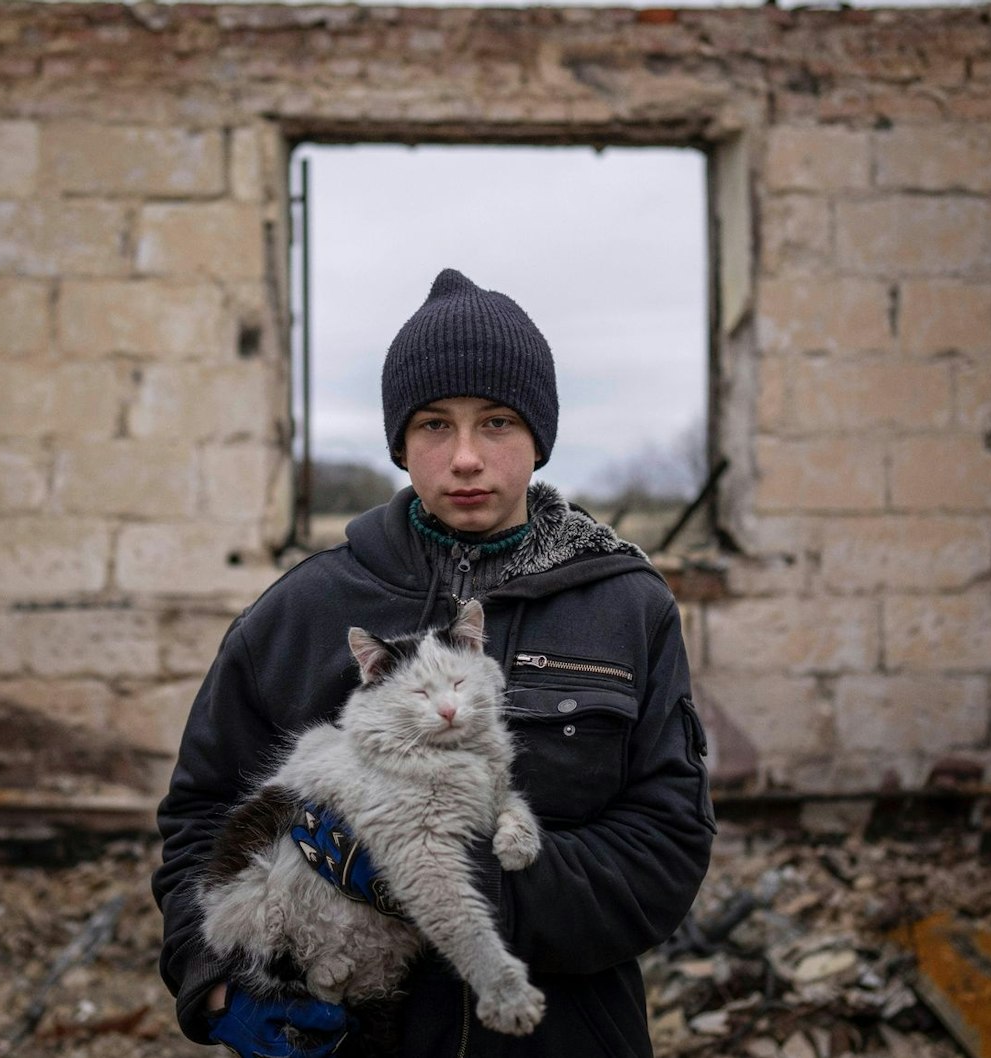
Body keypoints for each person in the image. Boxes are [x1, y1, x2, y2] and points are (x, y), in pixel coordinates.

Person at [152, 267, 716, 1057]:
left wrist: (451, 877)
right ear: (400, 443)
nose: (465, 458)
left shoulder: (625, 608)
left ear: (540, 437)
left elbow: (665, 846)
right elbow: (201, 813)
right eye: (433, 425)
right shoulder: (304, 611)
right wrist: (214, 982)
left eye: (497, 423)